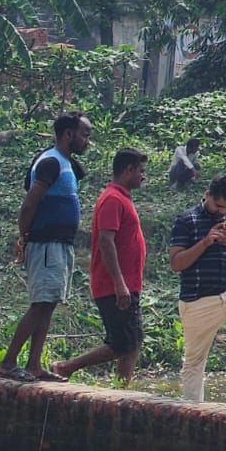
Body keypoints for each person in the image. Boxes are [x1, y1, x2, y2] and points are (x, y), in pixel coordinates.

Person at [0, 111, 91, 382]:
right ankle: (8, 362)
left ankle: (34, 365)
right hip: (46, 244)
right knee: (40, 304)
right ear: (68, 135)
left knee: (48, 304)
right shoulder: (50, 162)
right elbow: (29, 204)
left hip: (59, 244)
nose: (87, 141)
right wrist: (23, 237)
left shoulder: (65, 163)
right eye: (84, 135)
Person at [51, 148, 148, 384]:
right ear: (129, 170)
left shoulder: (121, 197)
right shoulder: (112, 199)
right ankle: (65, 367)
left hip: (127, 283)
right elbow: (106, 241)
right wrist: (119, 283)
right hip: (115, 284)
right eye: (141, 171)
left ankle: (123, 387)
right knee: (122, 343)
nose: (143, 176)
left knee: (133, 340)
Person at [167, 173, 226, 402]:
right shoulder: (187, 220)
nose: (222, 212)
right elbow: (176, 264)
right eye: (218, 206)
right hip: (198, 299)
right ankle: (193, 413)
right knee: (194, 362)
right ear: (207, 195)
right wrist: (205, 242)